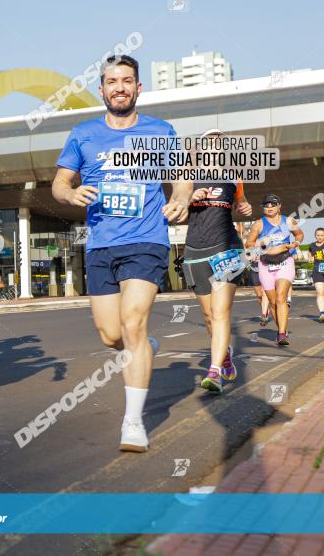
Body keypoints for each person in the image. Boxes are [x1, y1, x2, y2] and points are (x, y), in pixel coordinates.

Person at [51, 54, 193, 452]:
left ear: (138, 87)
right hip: (101, 244)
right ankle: (142, 349)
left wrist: (180, 198)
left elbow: (181, 177)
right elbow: (59, 184)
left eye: (127, 80)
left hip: (146, 240)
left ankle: (132, 422)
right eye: (112, 81)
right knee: (112, 334)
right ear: (102, 89)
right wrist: (71, 192)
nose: (119, 87)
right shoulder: (83, 134)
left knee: (133, 323)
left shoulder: (159, 131)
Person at [179, 129, 253, 394]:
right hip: (195, 250)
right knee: (209, 317)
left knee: (221, 313)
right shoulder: (187, 176)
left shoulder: (235, 176)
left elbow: (242, 203)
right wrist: (189, 198)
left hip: (228, 249)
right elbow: (174, 208)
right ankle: (225, 356)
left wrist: (245, 208)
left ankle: (214, 372)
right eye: (210, 143)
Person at [246, 194, 304, 345]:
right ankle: (281, 331)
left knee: (280, 298)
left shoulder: (289, 221)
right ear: (263, 208)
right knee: (272, 303)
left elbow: (299, 234)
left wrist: (296, 243)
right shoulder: (258, 224)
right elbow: (249, 243)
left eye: (273, 204)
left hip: (285, 261)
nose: (270, 207)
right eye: (266, 204)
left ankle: (282, 334)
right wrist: (261, 248)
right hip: (265, 264)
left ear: (279, 206)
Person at [306, 227, 324, 323]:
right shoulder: (312, 245)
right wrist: (310, 258)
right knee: (320, 292)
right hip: (317, 272)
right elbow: (309, 255)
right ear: (315, 236)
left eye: (322, 235)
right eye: (318, 235)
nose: (320, 237)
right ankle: (322, 313)